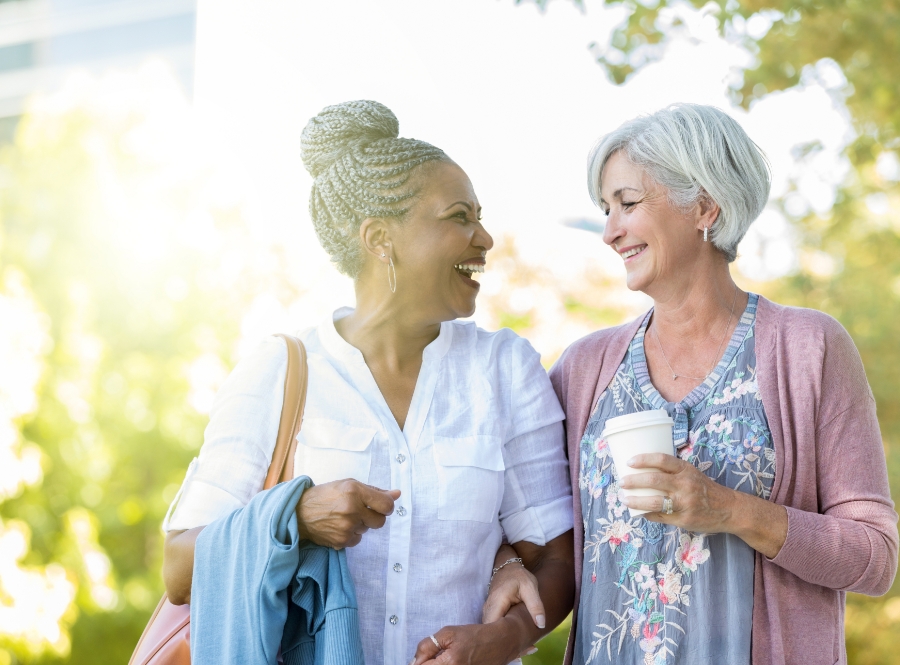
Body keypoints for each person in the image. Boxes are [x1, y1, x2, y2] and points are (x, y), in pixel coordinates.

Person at [162, 100, 575, 665]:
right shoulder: (280, 370)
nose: (484, 237)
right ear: (380, 238)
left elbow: (555, 558)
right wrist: (298, 518)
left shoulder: (504, 369)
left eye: (479, 216)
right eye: (459, 217)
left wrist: (501, 640)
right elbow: (181, 568)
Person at [550, 103, 898, 665]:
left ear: (705, 206)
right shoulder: (583, 368)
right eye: (605, 209)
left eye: (628, 204)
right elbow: (542, 540)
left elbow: (876, 556)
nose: (610, 232)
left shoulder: (808, 348)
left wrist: (729, 510)